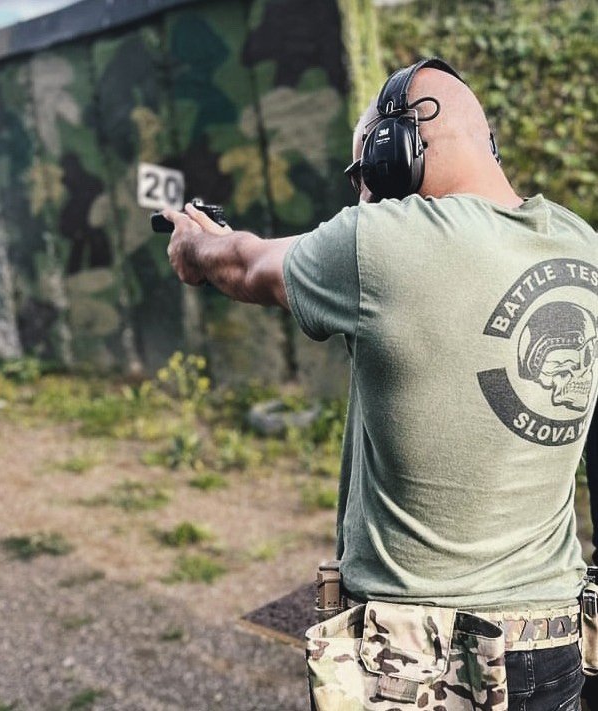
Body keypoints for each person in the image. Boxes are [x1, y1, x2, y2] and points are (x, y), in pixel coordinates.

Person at [165, 58, 597, 710]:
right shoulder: (581, 243)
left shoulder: (379, 242)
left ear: (397, 149)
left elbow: (243, 264)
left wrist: (194, 245)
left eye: (362, 168)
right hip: (555, 642)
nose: (362, 190)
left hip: (423, 661)